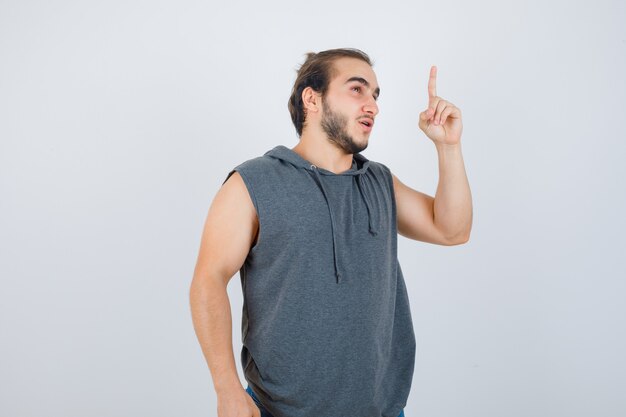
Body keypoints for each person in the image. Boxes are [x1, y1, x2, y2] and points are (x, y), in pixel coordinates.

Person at [189, 48, 472, 417]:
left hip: (381, 410)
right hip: (278, 410)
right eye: (357, 89)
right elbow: (208, 281)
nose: (372, 104)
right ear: (312, 98)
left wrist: (448, 147)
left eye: (375, 95)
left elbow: (452, 230)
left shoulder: (379, 182)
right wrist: (226, 389)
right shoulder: (253, 183)